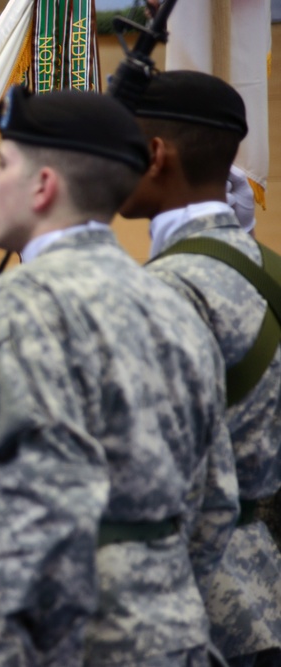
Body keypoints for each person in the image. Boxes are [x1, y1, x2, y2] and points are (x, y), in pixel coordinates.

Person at [0, 88, 234, 664]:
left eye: (4, 165)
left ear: (44, 186)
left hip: (69, 640)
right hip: (174, 633)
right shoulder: (171, 299)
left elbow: (46, 505)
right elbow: (216, 504)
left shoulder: (24, 302)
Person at [120, 70, 281, 666]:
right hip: (264, 585)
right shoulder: (269, 272)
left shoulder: (161, 291)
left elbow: (144, 476)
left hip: (186, 602)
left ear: (156, 155)